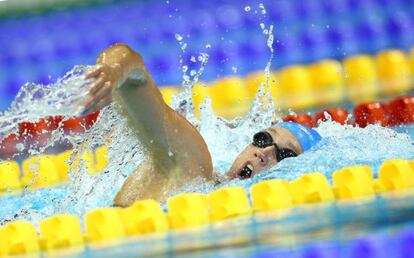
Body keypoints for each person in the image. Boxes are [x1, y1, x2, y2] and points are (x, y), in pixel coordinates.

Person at [80, 44, 321, 207]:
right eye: (263, 138)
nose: (265, 152)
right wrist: (113, 70)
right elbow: (132, 69)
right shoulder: (192, 166)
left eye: (286, 155)